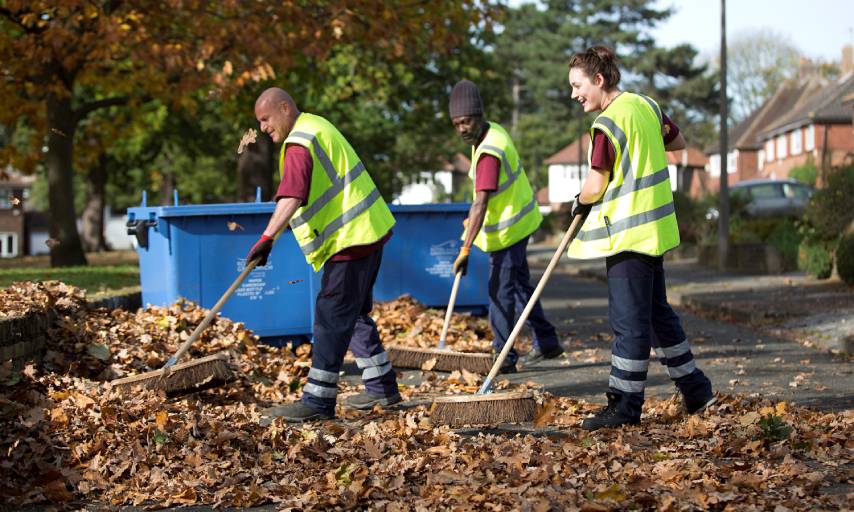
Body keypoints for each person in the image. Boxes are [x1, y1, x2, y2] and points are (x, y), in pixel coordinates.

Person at [565, 46, 715, 431]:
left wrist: (578, 202)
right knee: (655, 315)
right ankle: (695, 388)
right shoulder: (646, 106)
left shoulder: (607, 124)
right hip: (655, 230)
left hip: (628, 235)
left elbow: (596, 185)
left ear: (599, 81)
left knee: (629, 323)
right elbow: (678, 143)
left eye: (578, 86)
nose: (574, 94)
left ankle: (625, 406)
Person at [247, 87, 400, 422]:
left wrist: (266, 237)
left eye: (265, 119)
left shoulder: (301, 142)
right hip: (368, 230)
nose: (262, 129)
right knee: (354, 313)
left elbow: (292, 194)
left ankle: (317, 401)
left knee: (331, 316)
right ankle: (382, 387)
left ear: (284, 108)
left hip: (350, 238)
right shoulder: (317, 126)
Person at [449, 80, 564, 372]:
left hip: (510, 231)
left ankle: (504, 358)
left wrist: (465, 248)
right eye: (457, 123)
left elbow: (481, 203)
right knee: (521, 286)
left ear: (479, 116)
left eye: (467, 121)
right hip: (517, 222)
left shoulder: (489, 152)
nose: (462, 128)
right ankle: (547, 340)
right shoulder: (491, 132)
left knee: (499, 289)